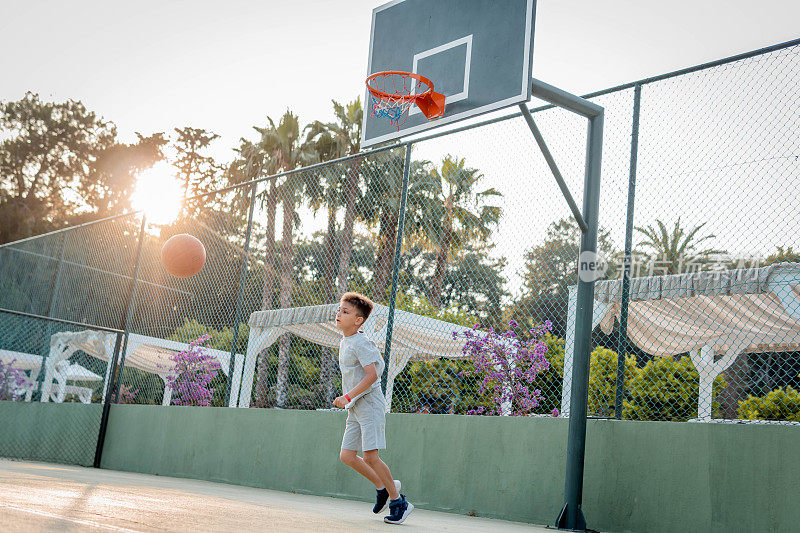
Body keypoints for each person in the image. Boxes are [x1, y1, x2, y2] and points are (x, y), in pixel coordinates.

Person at [334, 292, 413, 525]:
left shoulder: (362, 342)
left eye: (345, 312)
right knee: (347, 456)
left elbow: (373, 374)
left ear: (359, 320)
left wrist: (347, 395)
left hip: (369, 404)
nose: (339, 314)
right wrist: (350, 400)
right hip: (355, 406)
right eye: (339, 310)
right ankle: (383, 488)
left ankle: (400, 502)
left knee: (370, 456)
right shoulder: (345, 340)